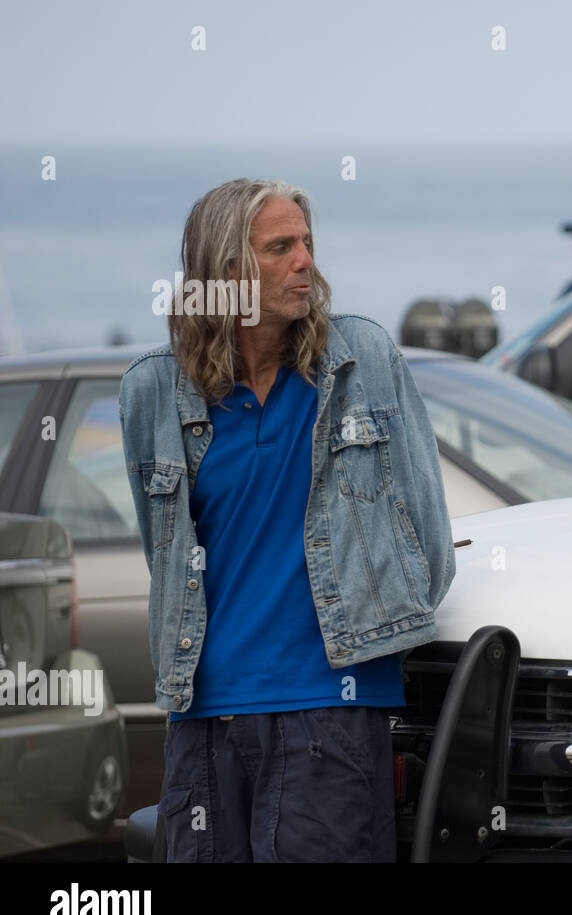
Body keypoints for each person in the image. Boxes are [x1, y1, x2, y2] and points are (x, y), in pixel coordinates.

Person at [119, 178, 457, 861]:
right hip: (203, 714)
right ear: (227, 271)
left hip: (332, 706)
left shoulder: (363, 359)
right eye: (280, 247)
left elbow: (428, 540)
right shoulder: (152, 389)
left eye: (306, 242)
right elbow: (167, 556)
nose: (305, 260)